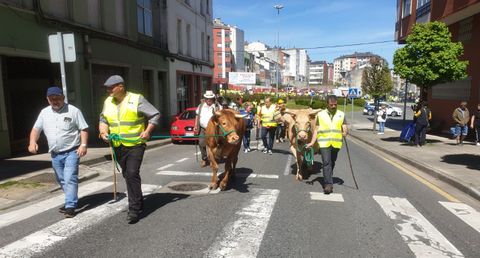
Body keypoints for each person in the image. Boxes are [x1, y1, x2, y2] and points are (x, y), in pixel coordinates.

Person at [99, 75, 160, 224]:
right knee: (127, 174)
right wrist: (103, 132)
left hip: (135, 144)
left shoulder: (136, 99)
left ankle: (133, 209)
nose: (108, 90)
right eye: (107, 88)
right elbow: (103, 119)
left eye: (111, 87)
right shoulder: (108, 101)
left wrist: (147, 131)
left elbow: (155, 114)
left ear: (121, 86)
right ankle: (138, 200)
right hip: (118, 145)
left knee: (132, 173)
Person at [28, 87, 89, 218]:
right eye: (51, 99)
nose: (55, 101)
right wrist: (32, 142)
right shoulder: (44, 112)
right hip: (55, 154)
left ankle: (70, 206)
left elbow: (83, 128)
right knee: (61, 179)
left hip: (72, 151)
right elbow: (36, 129)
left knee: (69, 178)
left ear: (63, 97)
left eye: (57, 98)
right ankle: (71, 200)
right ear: (47, 99)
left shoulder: (73, 111)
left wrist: (83, 145)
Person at [306, 95, 348, 194]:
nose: (333, 106)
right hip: (324, 143)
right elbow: (316, 130)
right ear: (327, 104)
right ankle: (328, 184)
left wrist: (345, 132)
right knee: (326, 162)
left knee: (332, 162)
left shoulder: (341, 114)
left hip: (336, 143)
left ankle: (328, 175)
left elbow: (345, 126)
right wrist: (312, 142)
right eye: (331, 105)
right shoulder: (320, 115)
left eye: (335, 104)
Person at [194, 90, 220, 167]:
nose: (209, 100)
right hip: (202, 128)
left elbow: (221, 117)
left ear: (213, 99)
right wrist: (195, 125)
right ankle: (204, 158)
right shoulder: (201, 106)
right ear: (205, 98)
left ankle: (212, 159)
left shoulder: (217, 106)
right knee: (201, 143)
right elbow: (197, 116)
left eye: (210, 98)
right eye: (207, 98)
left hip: (213, 129)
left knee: (213, 145)